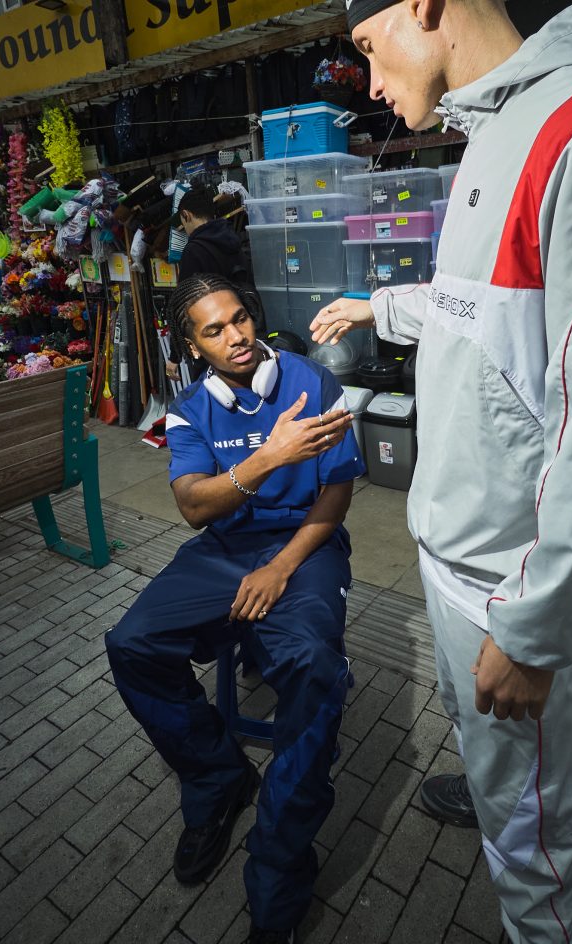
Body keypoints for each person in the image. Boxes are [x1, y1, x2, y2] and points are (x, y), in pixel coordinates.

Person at [310, 1, 572, 941]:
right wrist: (378, 308)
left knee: (533, 844)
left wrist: (538, 628)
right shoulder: (490, 135)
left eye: (367, 48)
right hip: (448, 544)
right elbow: (475, 310)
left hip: (505, 582)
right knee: (484, 744)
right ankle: (490, 786)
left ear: (424, 6)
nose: (369, 82)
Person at [106, 274, 365, 944]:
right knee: (131, 643)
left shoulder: (313, 383)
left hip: (305, 546)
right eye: (214, 330)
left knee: (314, 669)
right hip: (223, 549)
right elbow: (194, 506)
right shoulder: (191, 407)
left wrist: (281, 567)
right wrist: (267, 458)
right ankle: (219, 779)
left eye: (240, 319)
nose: (236, 337)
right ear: (194, 347)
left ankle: (277, 881)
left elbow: (336, 494)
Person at [165, 185, 262, 381]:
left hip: (213, 343)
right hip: (244, 332)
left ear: (186, 215)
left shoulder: (195, 250)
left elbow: (184, 307)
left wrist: (175, 356)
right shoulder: (233, 240)